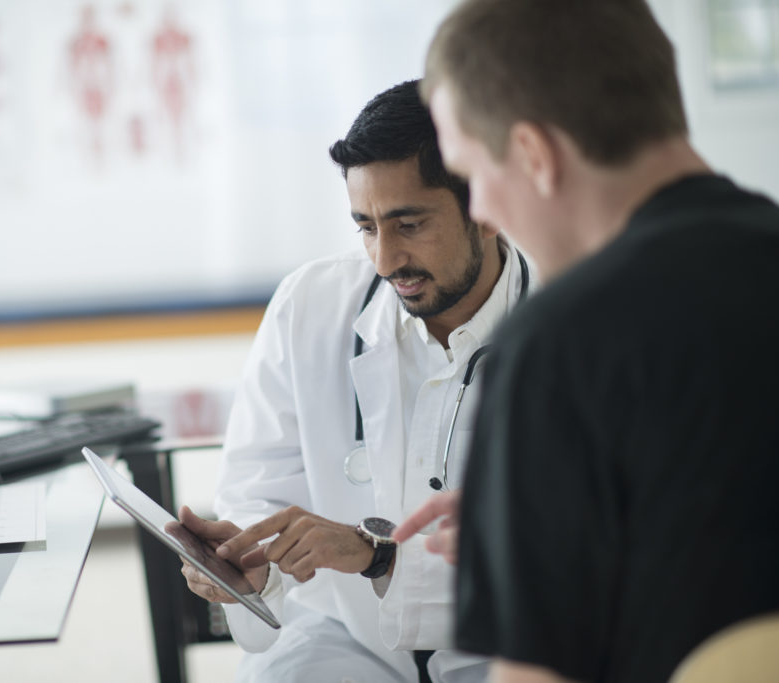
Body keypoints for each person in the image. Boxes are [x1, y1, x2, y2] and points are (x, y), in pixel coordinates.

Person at [395, 1, 779, 683]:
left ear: (534, 154)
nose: (480, 210)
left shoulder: (552, 348)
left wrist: (534, 519)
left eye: (473, 176)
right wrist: (547, 501)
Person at [179, 79, 529, 682]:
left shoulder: (579, 331)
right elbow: (259, 485)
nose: (386, 260)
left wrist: (378, 558)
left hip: (512, 647)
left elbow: (571, 567)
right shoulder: (310, 305)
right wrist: (257, 560)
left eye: (409, 224)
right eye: (366, 227)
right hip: (350, 639)